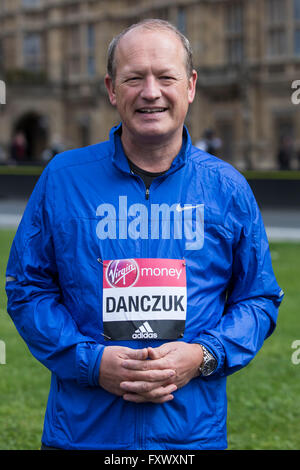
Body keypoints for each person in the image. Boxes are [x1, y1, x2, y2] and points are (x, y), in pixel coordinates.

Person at [6, 19, 283, 451]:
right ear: (112, 89)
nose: (150, 92)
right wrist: (92, 363)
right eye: (134, 78)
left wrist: (203, 355)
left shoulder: (228, 189)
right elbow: (27, 289)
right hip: (82, 436)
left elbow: (259, 298)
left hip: (190, 440)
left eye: (166, 77)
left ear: (189, 85)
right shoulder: (63, 178)